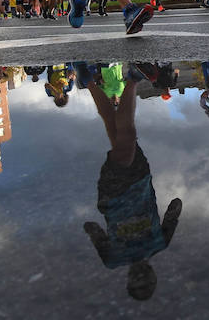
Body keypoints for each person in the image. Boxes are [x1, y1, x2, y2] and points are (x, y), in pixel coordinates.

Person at [81, 62, 182, 301]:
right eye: (147, 281)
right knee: (114, 129)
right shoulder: (160, 243)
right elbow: (174, 211)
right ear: (154, 276)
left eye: (137, 283)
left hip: (114, 195)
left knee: (126, 137)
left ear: (128, 281)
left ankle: (133, 79)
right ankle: (88, 81)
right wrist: (173, 211)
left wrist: (94, 231)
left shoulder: (113, 260)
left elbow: (92, 230)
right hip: (141, 182)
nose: (141, 277)